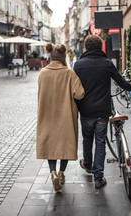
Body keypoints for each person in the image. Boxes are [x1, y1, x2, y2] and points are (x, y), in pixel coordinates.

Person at [73, 35, 131, 189]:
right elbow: (120, 81)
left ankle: (87, 164)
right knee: (100, 142)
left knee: (87, 139)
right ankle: (98, 178)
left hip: (85, 110)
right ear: (100, 47)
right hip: (102, 111)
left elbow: (74, 88)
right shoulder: (106, 63)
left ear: (86, 47)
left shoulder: (78, 65)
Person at [36, 43, 85, 191]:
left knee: (51, 146)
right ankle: (62, 173)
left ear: (51, 56)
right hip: (66, 117)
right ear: (64, 56)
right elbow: (80, 94)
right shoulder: (69, 73)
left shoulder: (43, 73)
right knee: (64, 146)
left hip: (46, 116)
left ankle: (53, 173)